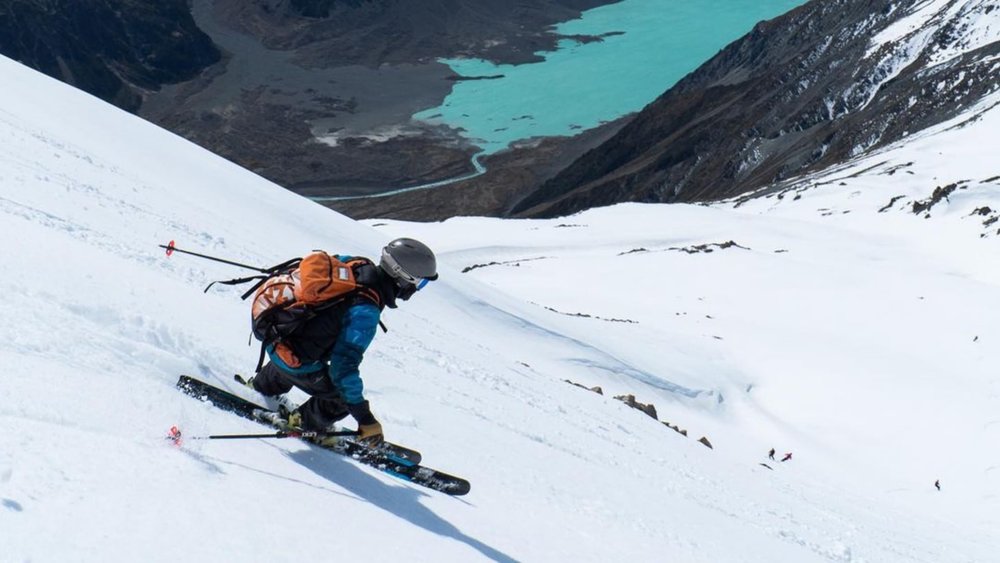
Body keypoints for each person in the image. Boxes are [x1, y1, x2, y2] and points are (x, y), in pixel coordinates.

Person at [247, 238, 438, 445]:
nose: (417, 288)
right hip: (291, 356)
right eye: (420, 282)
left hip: (276, 335)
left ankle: (261, 388)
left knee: (304, 350)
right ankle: (304, 424)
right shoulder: (365, 311)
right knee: (342, 397)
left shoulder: (357, 265)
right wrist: (365, 418)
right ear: (402, 276)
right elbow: (343, 368)